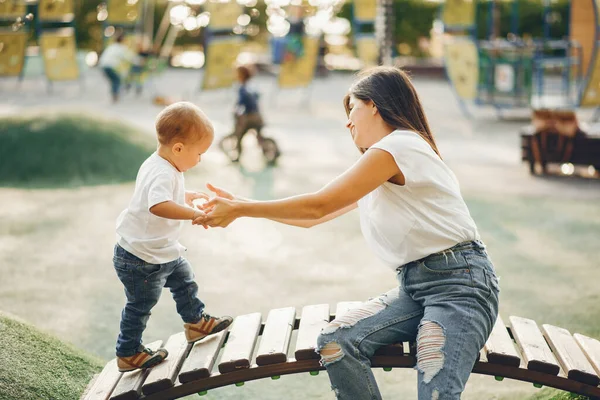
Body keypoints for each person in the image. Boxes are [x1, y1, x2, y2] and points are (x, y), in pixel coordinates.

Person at [195, 66, 500, 399]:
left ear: (374, 105)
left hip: (460, 286)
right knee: (336, 342)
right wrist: (241, 207)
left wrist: (242, 208)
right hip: (414, 288)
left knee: (436, 391)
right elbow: (312, 218)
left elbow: (318, 206)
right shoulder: (382, 162)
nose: (347, 121)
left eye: (352, 108)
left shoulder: (399, 146)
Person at [113, 102, 233, 372]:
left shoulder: (161, 164)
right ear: (178, 148)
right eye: (199, 153)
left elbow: (161, 195)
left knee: (184, 281)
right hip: (140, 258)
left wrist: (185, 195)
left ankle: (196, 323)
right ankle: (128, 352)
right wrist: (192, 213)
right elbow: (158, 205)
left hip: (161, 251)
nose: (200, 160)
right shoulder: (162, 171)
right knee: (140, 305)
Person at [219, 65, 271, 163]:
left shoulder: (242, 88)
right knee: (259, 136)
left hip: (248, 117)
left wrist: (237, 110)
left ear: (241, 75)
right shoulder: (253, 86)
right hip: (257, 116)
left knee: (239, 136)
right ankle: (267, 152)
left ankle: (237, 156)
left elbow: (242, 102)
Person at [98, 32, 134, 103]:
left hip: (102, 66)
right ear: (122, 40)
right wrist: (139, 61)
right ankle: (115, 96)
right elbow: (128, 57)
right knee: (116, 80)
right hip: (109, 66)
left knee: (114, 80)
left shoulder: (111, 46)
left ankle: (114, 94)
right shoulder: (120, 48)